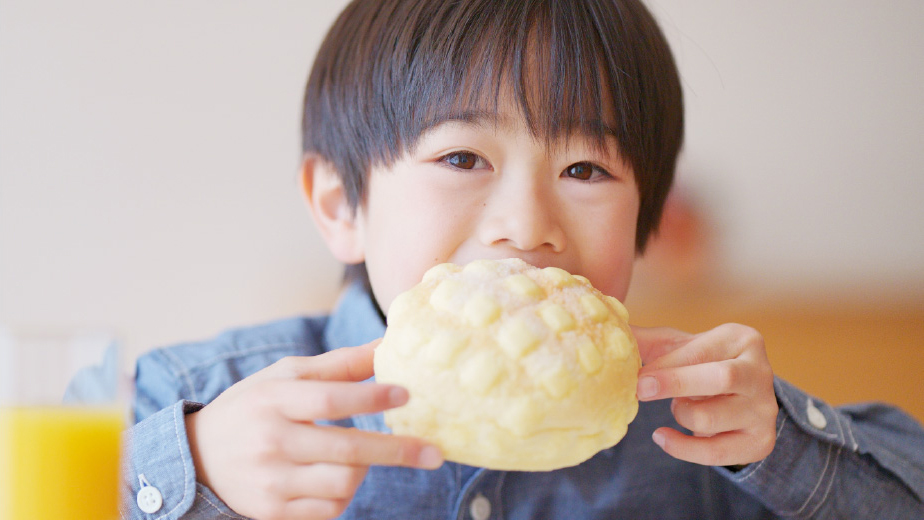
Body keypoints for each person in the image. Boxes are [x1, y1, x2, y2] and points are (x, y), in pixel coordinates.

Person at [119, 0, 924, 518]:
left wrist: (782, 444)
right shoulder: (196, 400)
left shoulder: (706, 436)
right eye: (464, 158)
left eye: (586, 171)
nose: (525, 225)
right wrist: (191, 472)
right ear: (341, 205)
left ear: (646, 222)